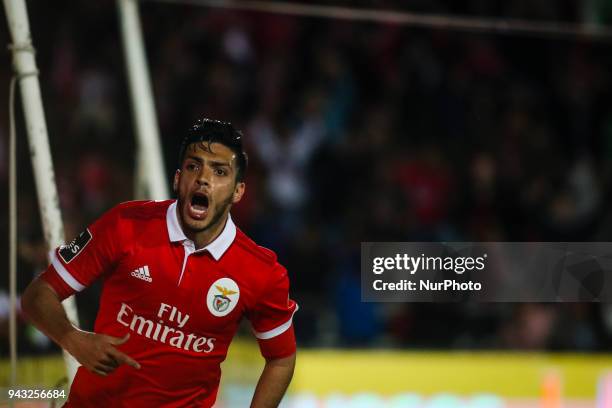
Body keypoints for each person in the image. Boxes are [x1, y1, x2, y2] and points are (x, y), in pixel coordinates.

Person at [21, 118, 298, 407]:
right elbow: (37, 295)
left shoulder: (261, 271)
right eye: (194, 166)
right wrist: (73, 339)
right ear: (178, 179)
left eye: (219, 171)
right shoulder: (125, 224)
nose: (203, 178)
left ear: (238, 191)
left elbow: (281, 357)